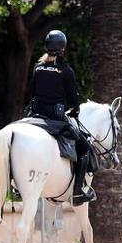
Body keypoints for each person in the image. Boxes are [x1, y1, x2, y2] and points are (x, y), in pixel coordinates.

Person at [27, 30, 95, 206]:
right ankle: (78, 192)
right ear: (63, 49)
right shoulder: (66, 71)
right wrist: (75, 110)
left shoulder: (38, 68)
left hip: (35, 116)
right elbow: (73, 100)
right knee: (85, 148)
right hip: (55, 120)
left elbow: (33, 93)